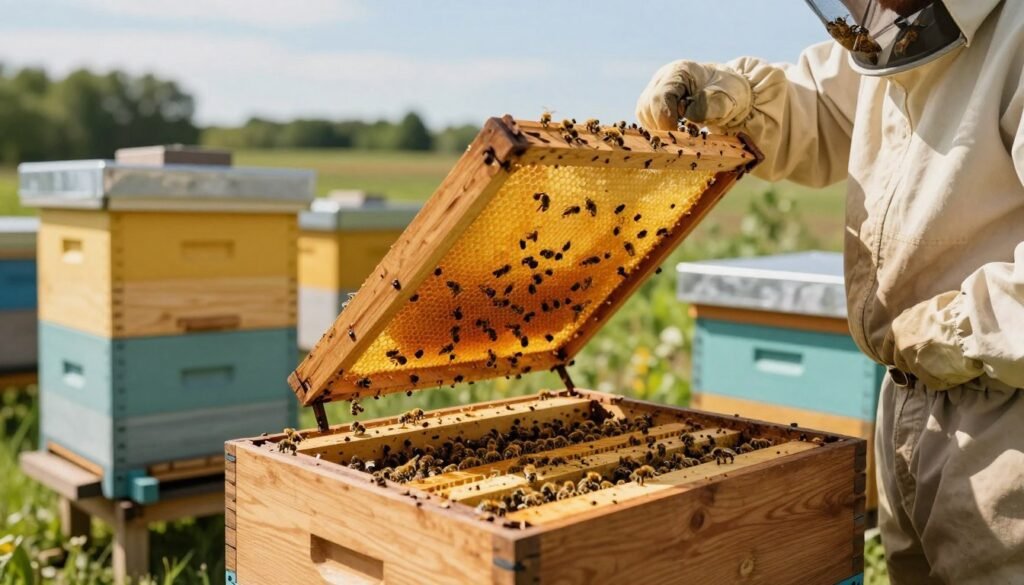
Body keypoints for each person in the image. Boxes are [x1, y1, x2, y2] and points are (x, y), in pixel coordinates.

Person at [635, 1, 1024, 583]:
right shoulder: (903, 31)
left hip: (1004, 426)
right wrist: (730, 95)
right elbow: (824, 107)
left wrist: (956, 330)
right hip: (909, 403)